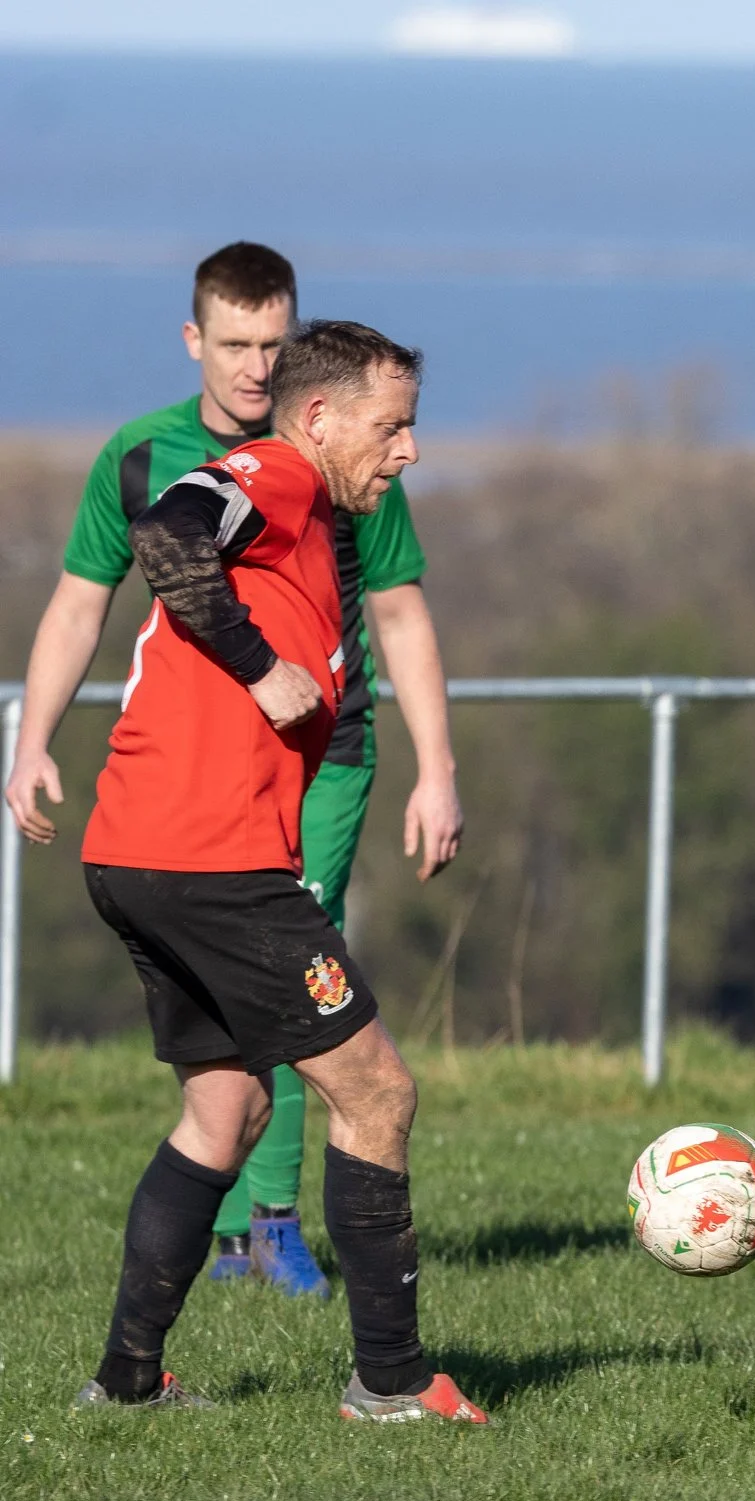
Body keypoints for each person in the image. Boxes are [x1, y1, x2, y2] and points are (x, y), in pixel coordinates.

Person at [5, 242, 462, 1297]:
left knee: (243, 1079)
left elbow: (398, 610)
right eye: (238, 343)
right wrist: (33, 737)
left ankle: (253, 1239)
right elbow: (110, 582)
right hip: (204, 812)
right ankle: (384, 1375)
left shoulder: (347, 462)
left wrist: (436, 768)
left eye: (275, 342)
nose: (258, 364)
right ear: (194, 341)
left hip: (300, 772)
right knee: (355, 1056)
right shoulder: (221, 460)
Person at [73, 320, 482, 1423]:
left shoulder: (307, 518)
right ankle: (392, 1386)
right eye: (391, 428)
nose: (406, 453)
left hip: (135, 851)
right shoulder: (279, 472)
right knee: (378, 1091)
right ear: (319, 417)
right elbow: (167, 533)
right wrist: (262, 670)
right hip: (209, 860)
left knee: (228, 1109)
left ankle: (126, 1385)